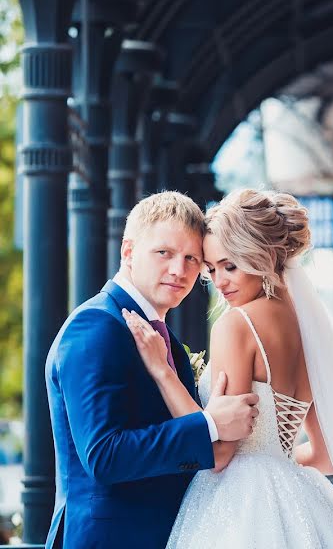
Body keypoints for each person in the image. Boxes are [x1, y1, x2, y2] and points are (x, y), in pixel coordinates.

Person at [123, 189, 333, 549]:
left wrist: (163, 372)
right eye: (211, 270)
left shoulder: (236, 325)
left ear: (263, 257)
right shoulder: (309, 330)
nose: (220, 282)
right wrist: (276, 466)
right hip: (307, 505)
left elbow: (219, 454)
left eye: (231, 265)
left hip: (238, 508)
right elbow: (323, 453)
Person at [45, 191, 261, 549]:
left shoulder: (167, 342)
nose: (180, 270)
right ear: (128, 252)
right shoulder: (96, 326)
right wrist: (210, 425)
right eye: (164, 253)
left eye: (192, 258)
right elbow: (104, 456)